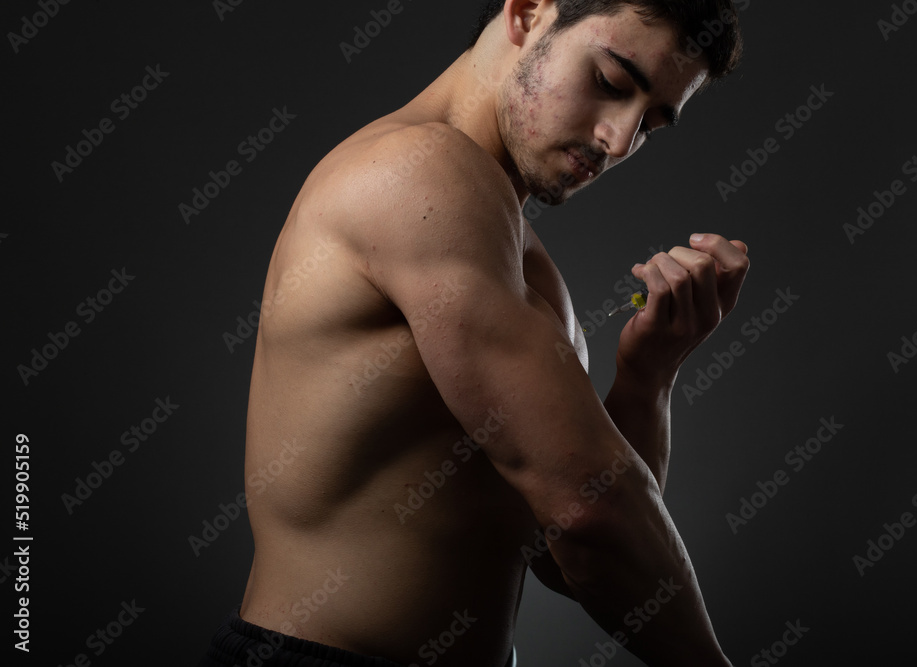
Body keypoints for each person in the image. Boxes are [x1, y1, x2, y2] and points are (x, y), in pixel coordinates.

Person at [199, 1, 748, 665]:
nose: (620, 139)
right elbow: (589, 512)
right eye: (610, 81)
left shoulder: (514, 249)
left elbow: (566, 557)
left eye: (652, 123)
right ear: (528, 12)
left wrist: (648, 374)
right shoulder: (416, 173)